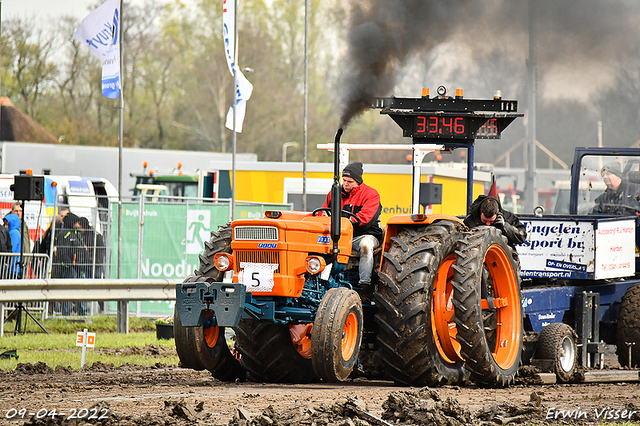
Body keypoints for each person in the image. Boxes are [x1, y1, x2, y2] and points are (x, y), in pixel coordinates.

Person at [321, 161, 383, 290]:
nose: (345, 184)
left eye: (350, 181)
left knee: (366, 246)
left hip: (363, 234)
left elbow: (364, 220)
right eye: (344, 180)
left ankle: (364, 283)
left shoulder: (371, 195)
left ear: (358, 181)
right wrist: (323, 216)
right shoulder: (334, 193)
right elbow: (323, 211)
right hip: (338, 235)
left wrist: (342, 222)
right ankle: (321, 280)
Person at [4, 213, 22, 278]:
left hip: (12, 268)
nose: (6, 226)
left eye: (7, 224)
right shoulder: (15, 232)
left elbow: (12, 248)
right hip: (13, 267)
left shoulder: (13, 233)